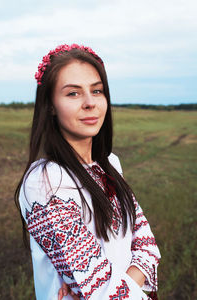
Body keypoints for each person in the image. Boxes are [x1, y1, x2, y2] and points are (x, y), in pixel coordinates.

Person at [15, 43, 161, 300]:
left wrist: (113, 282)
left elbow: (148, 248)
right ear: (50, 105)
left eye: (97, 90)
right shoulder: (46, 180)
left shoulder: (110, 164)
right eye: (73, 94)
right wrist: (110, 283)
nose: (90, 103)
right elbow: (101, 291)